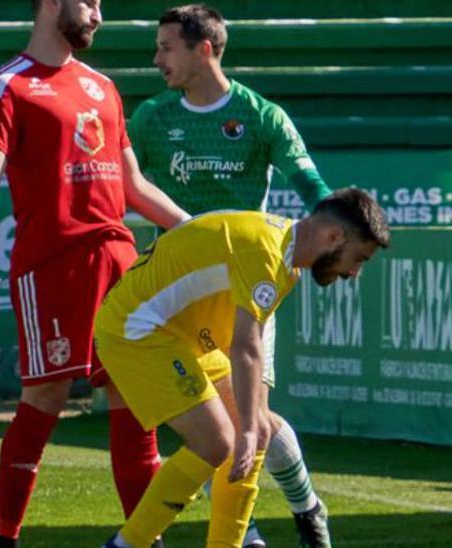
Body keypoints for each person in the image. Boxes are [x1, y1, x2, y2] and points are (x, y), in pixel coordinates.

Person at [0, 1, 192, 546]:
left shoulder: (103, 86)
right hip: (52, 266)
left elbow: (133, 185)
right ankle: (3, 538)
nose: (98, 14)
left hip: (117, 257)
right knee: (45, 399)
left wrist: (198, 230)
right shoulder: (6, 84)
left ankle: (144, 539)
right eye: (90, 2)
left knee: (133, 400)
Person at [127, 4, 336, 546]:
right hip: (182, 295)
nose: (156, 60)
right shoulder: (152, 117)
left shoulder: (261, 116)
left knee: (252, 420)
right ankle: (267, 525)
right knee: (232, 425)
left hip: (247, 289)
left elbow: (311, 185)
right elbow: (123, 183)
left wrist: (338, 233)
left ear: (204, 49)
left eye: (166, 47)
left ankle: (300, 510)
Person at [96, 189, 388, 548]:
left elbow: (253, 347)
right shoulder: (268, 251)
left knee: (258, 430)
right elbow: (245, 344)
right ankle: (126, 544)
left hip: (180, 336)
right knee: (218, 441)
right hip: (136, 330)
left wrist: (254, 426)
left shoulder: (285, 256)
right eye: (358, 259)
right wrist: (248, 428)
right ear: (334, 237)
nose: (354, 273)